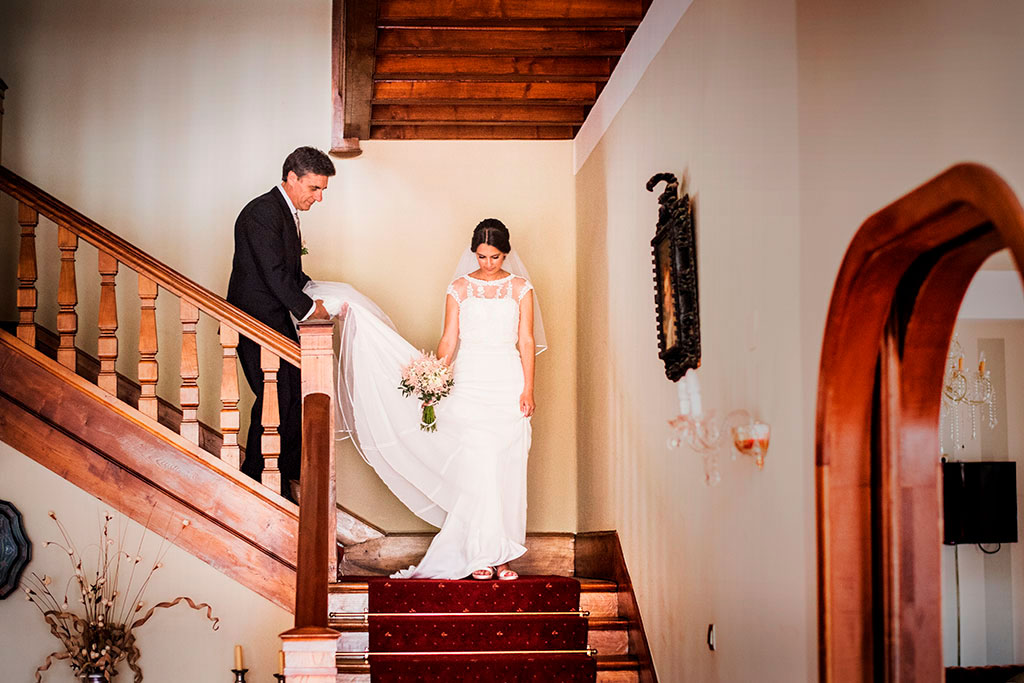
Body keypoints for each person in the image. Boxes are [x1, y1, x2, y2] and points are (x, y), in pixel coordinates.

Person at [305, 218, 547, 580]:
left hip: (507, 381)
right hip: (470, 381)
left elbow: (526, 341)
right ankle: (480, 554)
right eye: (481, 257)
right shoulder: (459, 289)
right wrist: (436, 378)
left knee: (506, 467)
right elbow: (449, 340)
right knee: (478, 467)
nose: (488, 264)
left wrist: (528, 388)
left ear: (506, 254)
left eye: (495, 257)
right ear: (473, 254)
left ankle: (503, 556)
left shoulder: (521, 289)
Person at [227, 146, 334, 502]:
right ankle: (256, 478)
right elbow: (274, 275)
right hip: (255, 323)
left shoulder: (284, 213)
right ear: (292, 178)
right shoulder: (262, 213)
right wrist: (309, 310)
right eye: (314, 189)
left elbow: (292, 274)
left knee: (290, 398)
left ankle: (280, 477)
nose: (318, 198)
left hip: (275, 321)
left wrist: (325, 294)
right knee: (276, 397)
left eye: (322, 190)